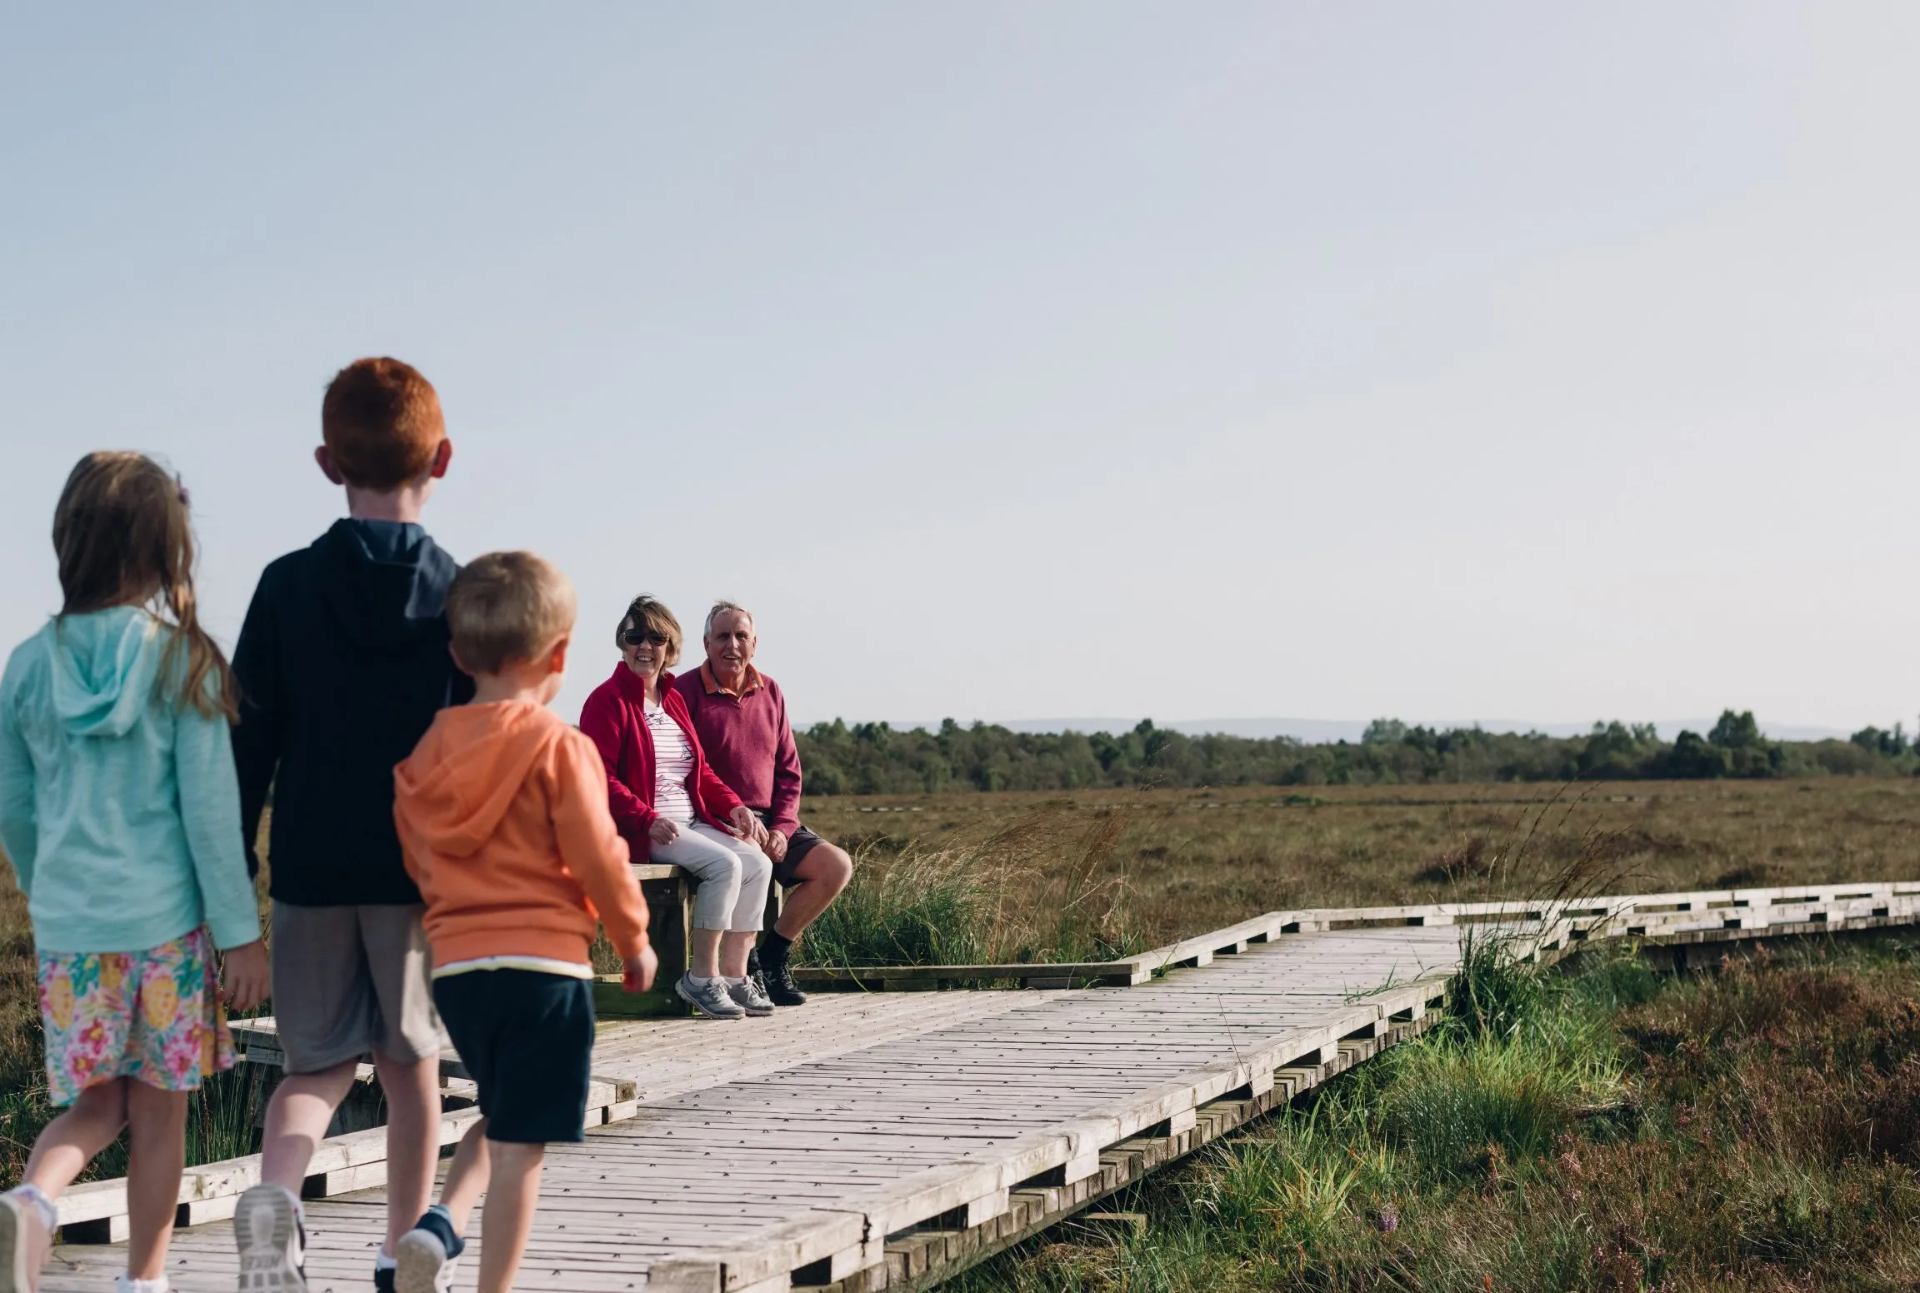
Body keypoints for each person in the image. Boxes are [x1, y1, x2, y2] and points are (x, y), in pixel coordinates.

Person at [228, 357, 473, 1291]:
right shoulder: (461, 592)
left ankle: (278, 1198)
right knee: (412, 1067)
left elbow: (247, 748)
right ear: (443, 458)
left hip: (310, 869)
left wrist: (236, 898)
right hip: (419, 877)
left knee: (311, 1065)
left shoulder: (286, 586)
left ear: (327, 461)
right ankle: (400, 1250)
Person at [0, 453, 271, 1293]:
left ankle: (35, 1199)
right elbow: (209, 822)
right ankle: (144, 1280)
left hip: (72, 933)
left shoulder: (26, 665)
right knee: (159, 1113)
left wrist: (52, 891)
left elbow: (16, 809)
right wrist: (242, 937)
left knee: (94, 1107)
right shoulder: (181, 661)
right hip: (163, 934)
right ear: (164, 551)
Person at [391, 551, 655, 1293]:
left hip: (459, 973)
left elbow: (415, 848)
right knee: (522, 1145)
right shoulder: (559, 745)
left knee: (503, 1111)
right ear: (562, 654)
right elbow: (600, 853)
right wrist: (633, 937)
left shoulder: (428, 751)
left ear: (457, 653)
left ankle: (440, 1222)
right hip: (546, 971)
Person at [579, 597, 776, 1021]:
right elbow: (600, 777)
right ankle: (701, 979)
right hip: (642, 830)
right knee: (726, 865)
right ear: (622, 643)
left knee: (757, 862)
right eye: (635, 637)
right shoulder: (607, 701)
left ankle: (735, 975)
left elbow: (700, 770)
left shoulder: (672, 700)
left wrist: (734, 806)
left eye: (656, 637)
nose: (644, 647)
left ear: (670, 645)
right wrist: (646, 819)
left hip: (690, 821)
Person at [674, 603, 851, 1007]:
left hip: (773, 820)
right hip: (719, 818)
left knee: (836, 866)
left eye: (740, 637)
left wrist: (783, 828)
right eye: (722, 637)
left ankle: (769, 959)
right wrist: (737, 817)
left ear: (754, 644)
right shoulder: (684, 693)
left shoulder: (771, 690)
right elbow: (691, 769)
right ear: (706, 644)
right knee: (756, 863)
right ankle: (729, 975)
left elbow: (789, 771)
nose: (731, 645)